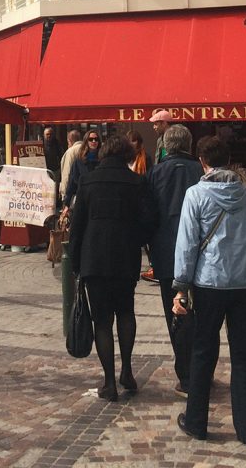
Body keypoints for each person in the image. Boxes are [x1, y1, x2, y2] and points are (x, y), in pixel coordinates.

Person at [173, 136, 246, 450]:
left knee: (203, 352)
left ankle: (197, 422)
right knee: (242, 357)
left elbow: (187, 242)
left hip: (209, 283)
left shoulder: (196, 195)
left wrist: (181, 284)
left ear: (202, 161)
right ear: (228, 160)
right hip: (245, 283)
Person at [69, 134, 157, 401]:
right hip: (125, 257)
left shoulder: (88, 181)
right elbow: (150, 220)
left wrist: (75, 262)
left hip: (94, 259)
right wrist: (136, 239)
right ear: (127, 155)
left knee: (102, 321)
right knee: (126, 312)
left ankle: (109, 381)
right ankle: (127, 370)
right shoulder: (136, 182)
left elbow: (77, 226)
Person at [145, 124, 202, 395]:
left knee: (175, 315)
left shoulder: (155, 172)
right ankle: (200, 370)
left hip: (167, 253)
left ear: (167, 146)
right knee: (201, 313)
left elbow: (148, 213)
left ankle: (186, 374)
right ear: (189, 145)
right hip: (202, 254)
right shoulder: (200, 171)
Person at [62, 130, 101, 208]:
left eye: (96, 139)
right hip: (82, 200)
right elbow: (72, 182)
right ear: (86, 141)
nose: (94, 141)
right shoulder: (79, 161)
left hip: (99, 199)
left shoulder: (103, 160)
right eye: (91, 139)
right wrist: (66, 203)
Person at [59, 129, 83, 203]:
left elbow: (67, 172)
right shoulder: (86, 148)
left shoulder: (71, 151)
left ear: (69, 140)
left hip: (72, 193)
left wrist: (64, 194)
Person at [42, 127, 64, 192]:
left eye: (51, 134)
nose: (49, 136)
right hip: (43, 170)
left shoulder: (57, 143)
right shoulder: (40, 144)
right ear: (44, 135)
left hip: (55, 170)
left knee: (54, 188)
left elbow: (61, 155)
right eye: (47, 134)